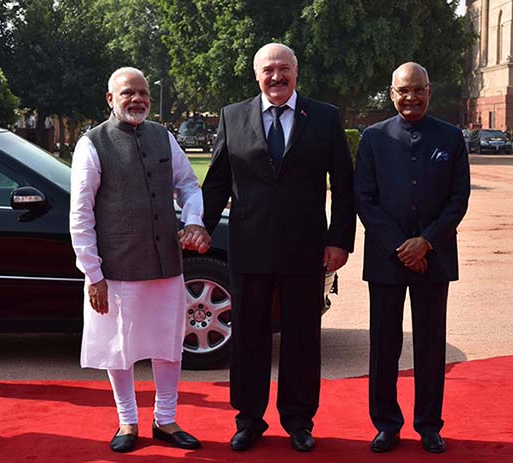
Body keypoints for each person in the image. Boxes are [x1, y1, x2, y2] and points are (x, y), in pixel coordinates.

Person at [202, 43, 356, 452]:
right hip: (249, 248)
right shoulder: (232, 117)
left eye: (283, 69)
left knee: (302, 337)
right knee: (249, 337)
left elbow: (343, 184)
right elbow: (217, 181)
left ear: (296, 71)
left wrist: (340, 240)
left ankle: (299, 420)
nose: (276, 77)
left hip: (306, 250)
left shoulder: (324, 117)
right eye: (268, 70)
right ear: (257, 75)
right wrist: (200, 226)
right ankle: (249, 420)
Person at [69, 66, 211, 453]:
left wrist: (194, 220)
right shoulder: (92, 144)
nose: (137, 100)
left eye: (143, 93)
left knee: (168, 344)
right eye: (128, 93)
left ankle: (165, 420)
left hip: (166, 263)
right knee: (121, 347)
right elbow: (80, 213)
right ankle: (127, 421)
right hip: (116, 267)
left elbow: (187, 185)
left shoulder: (164, 137)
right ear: (110, 99)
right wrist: (92, 273)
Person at [354, 62, 470, 454]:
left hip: (434, 257)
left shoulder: (451, 137)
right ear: (392, 94)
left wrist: (426, 242)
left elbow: (458, 200)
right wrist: (402, 247)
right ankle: (386, 424)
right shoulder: (373, 138)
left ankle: (429, 424)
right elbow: (364, 200)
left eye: (418, 90)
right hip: (387, 258)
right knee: (384, 345)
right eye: (404, 91)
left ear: (429, 91)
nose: (411, 97)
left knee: (430, 345)